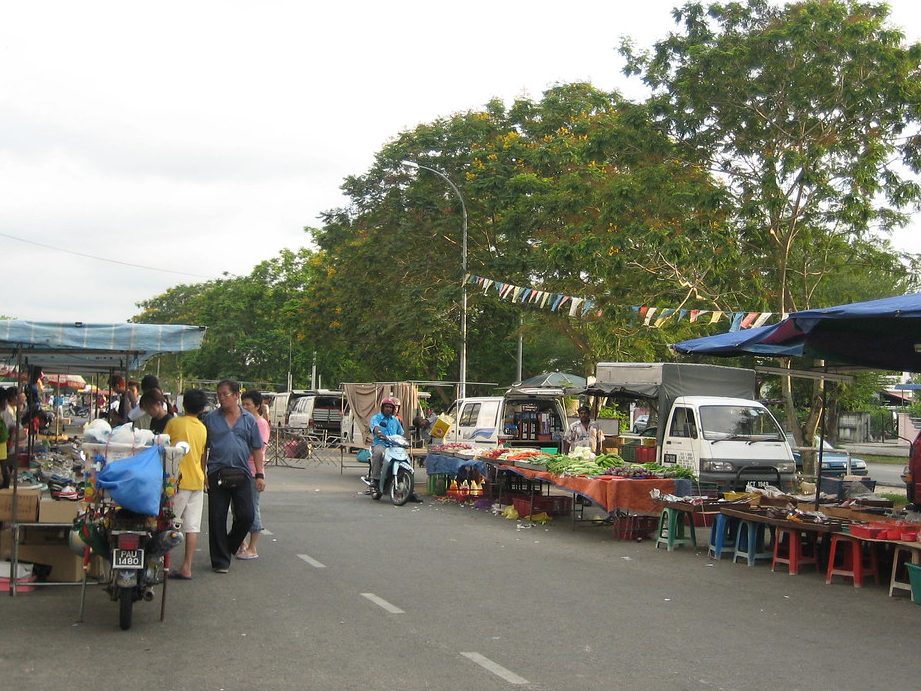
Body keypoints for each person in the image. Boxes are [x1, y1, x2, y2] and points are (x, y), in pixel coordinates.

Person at [201, 380, 266, 573]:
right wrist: (203, 472)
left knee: (246, 515)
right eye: (218, 395)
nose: (221, 398)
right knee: (217, 517)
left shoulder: (249, 420)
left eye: (225, 394)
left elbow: (257, 449)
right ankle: (220, 561)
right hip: (216, 472)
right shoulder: (211, 419)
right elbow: (203, 448)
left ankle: (228, 545)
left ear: (237, 395)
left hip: (242, 473)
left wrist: (260, 474)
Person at [163, 389, 208, 580]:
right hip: (197, 481)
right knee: (192, 526)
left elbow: (162, 447)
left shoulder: (174, 423)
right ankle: (187, 567)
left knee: (168, 524)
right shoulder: (202, 428)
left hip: (177, 481)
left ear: (183, 404)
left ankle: (165, 565)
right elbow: (202, 455)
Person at [238, 390, 270, 560]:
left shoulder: (260, 423)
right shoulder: (244, 421)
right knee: (239, 508)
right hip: (240, 469)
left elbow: (258, 448)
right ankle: (241, 543)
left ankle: (252, 546)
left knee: (252, 508)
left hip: (253, 471)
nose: (244, 407)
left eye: (248, 404)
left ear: (257, 406)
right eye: (243, 404)